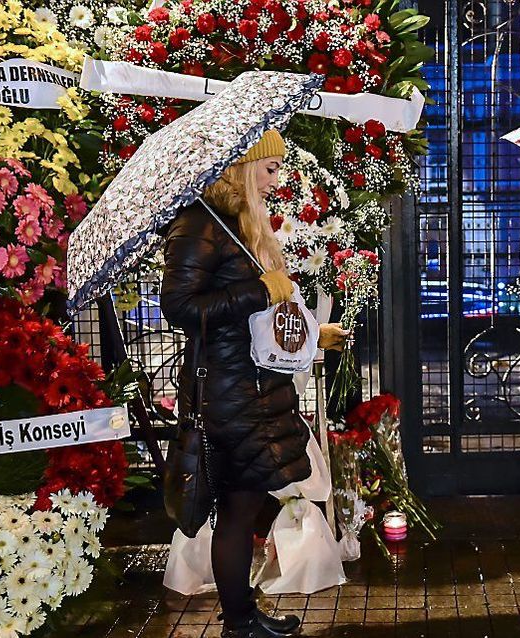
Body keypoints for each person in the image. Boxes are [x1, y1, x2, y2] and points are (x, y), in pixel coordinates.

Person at [160, 129, 349, 638]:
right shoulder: (200, 224)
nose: (276, 179)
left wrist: (311, 336)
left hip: (253, 391)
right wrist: (256, 289)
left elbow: (261, 324)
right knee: (239, 509)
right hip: (228, 395)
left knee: (243, 508)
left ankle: (242, 615)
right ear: (239, 168)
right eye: (267, 169)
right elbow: (179, 308)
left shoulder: (236, 226)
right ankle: (240, 621)